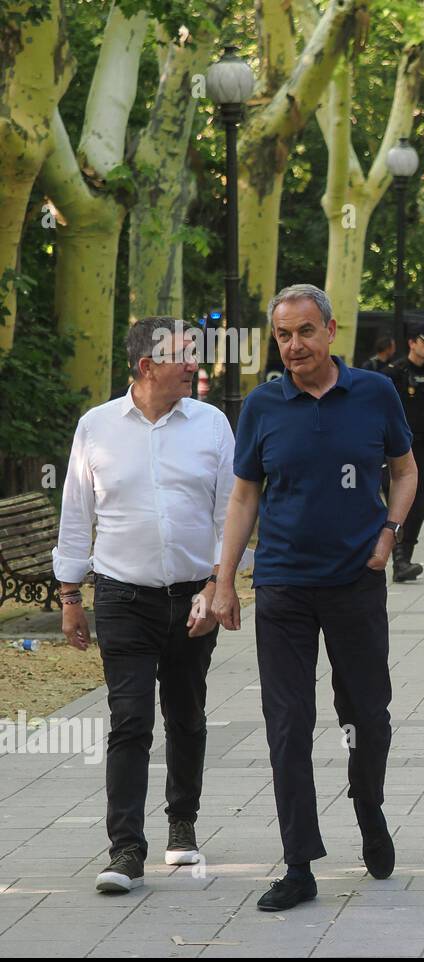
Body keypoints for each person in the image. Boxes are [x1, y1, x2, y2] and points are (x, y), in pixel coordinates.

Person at [211, 284, 419, 912]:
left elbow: (406, 470)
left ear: (331, 332)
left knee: (367, 715)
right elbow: (245, 495)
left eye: (304, 332)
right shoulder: (262, 406)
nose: (293, 346)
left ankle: (370, 811)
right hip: (283, 586)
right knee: (287, 724)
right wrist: (224, 580)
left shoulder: (375, 394)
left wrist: (389, 534)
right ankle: (298, 863)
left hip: (356, 583)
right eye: (282, 336)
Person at [53, 318, 232, 894]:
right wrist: (69, 595)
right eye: (182, 354)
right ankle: (126, 848)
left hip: (193, 599)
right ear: (145, 364)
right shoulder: (97, 426)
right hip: (122, 595)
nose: (194, 364)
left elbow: (233, 512)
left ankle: (183, 822)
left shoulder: (212, 425)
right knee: (130, 719)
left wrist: (219, 585)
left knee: (186, 714)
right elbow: (77, 514)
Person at [384, 322, 424, 582]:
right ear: (411, 343)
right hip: (397, 447)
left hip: (423, 444)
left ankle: (405, 555)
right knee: (399, 500)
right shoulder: (395, 372)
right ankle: (398, 559)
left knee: (422, 499)